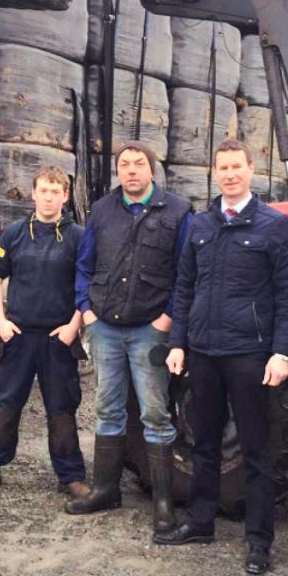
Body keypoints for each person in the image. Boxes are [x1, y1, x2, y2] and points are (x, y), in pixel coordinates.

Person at [158, 138, 288, 575]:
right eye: (222, 167)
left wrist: (281, 353)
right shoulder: (201, 224)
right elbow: (185, 287)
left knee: (257, 449)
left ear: (251, 169)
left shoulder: (273, 226)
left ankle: (259, 541)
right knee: (204, 442)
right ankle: (200, 521)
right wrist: (178, 342)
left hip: (249, 354)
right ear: (214, 172)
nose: (230, 174)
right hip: (204, 352)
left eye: (237, 166)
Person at [65, 141, 192, 538]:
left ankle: (163, 504)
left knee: (155, 413)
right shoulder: (102, 210)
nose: (132, 170)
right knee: (107, 408)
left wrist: (167, 319)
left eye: (139, 164)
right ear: (118, 171)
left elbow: (186, 272)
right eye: (125, 164)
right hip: (105, 327)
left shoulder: (177, 212)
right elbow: (84, 265)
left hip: (148, 331)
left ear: (152, 170)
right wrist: (86, 310)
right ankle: (105, 490)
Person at [0, 165, 89, 498]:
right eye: (43, 191)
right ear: (33, 194)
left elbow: (88, 284)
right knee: (6, 403)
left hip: (58, 339)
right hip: (18, 337)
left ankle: (70, 476)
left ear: (65, 196)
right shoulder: (14, 234)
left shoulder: (78, 237)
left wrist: (74, 326)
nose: (48, 198)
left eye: (55, 192)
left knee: (62, 407)